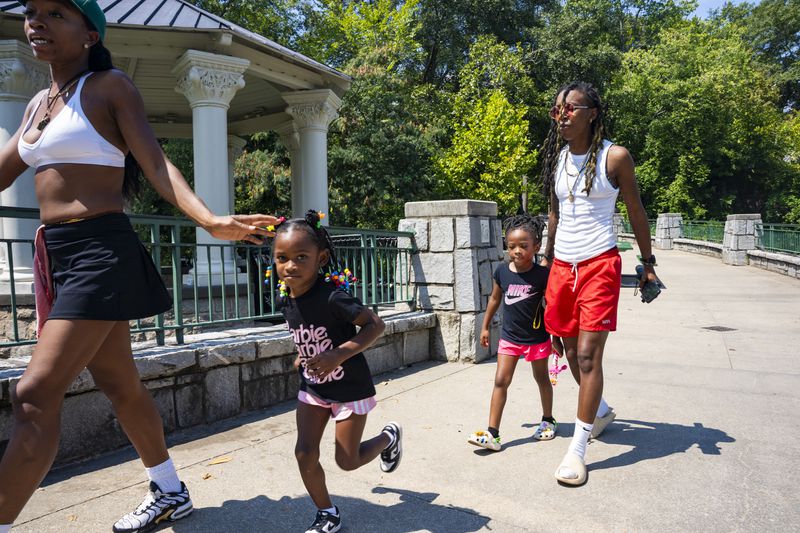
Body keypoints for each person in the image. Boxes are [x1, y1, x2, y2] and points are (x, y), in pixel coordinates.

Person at [0, 1, 280, 531]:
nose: (37, 20)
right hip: (58, 256)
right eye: (32, 10)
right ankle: (170, 489)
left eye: (56, 13)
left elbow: (154, 161)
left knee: (34, 395)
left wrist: (208, 219)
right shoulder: (39, 103)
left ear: (88, 34)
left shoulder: (109, 88)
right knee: (120, 382)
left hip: (101, 253)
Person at [539, 81, 659, 486]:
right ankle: (601, 410)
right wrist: (545, 260)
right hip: (561, 267)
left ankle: (577, 450)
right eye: (558, 110)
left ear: (592, 113)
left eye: (571, 108)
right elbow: (554, 215)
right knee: (569, 350)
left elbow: (636, 210)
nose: (563, 115)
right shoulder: (557, 159)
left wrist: (648, 263)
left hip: (598, 265)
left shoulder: (614, 157)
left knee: (589, 357)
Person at [273, 211, 402, 533]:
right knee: (304, 452)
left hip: (350, 390)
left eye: (301, 257)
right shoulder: (285, 297)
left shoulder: (333, 296)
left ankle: (388, 437)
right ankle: (327, 512)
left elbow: (375, 325)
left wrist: (337, 355)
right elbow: (308, 333)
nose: (290, 266)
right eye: (282, 258)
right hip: (314, 388)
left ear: (322, 258)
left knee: (347, 460)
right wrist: (302, 357)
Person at [467, 214, 558, 451]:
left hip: (537, 338)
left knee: (541, 379)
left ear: (536, 247)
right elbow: (495, 299)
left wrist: (556, 337)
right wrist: (485, 326)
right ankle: (492, 433)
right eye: (511, 246)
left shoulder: (543, 275)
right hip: (510, 338)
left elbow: (551, 307)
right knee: (500, 381)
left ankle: (548, 420)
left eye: (523, 246)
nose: (517, 251)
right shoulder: (501, 272)